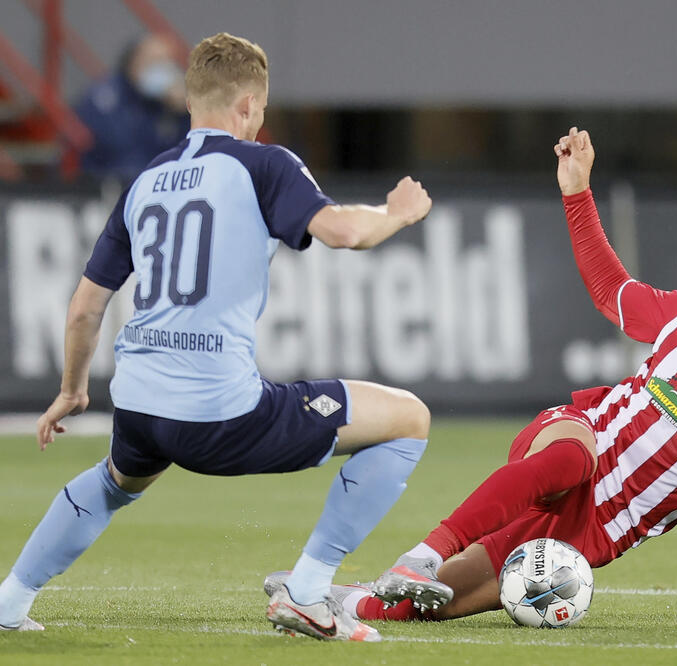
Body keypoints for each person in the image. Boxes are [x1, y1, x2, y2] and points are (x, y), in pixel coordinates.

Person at [272, 127, 677, 633]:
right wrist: (577, 193)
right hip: (578, 434)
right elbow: (609, 289)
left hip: (598, 529)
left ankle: (333, 597)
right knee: (570, 460)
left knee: (438, 605)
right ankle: (421, 556)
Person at [0, 32, 434, 642]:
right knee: (408, 419)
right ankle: (309, 592)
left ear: (189, 103)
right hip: (218, 413)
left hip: (141, 405)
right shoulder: (262, 162)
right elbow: (342, 232)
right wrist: (397, 213)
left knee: (113, 481)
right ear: (250, 106)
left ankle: (8, 602)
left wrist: (72, 389)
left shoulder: (145, 180)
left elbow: (83, 309)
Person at [75, 33, 189, 182]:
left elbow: (183, 152)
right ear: (134, 62)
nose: (162, 71)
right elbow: (122, 149)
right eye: (155, 62)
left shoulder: (163, 104)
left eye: (167, 64)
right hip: (106, 185)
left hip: (153, 187)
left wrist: (185, 114)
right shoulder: (105, 98)